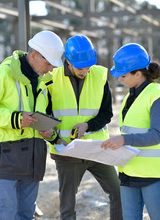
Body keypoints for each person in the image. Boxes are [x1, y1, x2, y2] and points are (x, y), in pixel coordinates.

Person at [48, 35, 123, 220]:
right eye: (81, 68)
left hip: (97, 149)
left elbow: (106, 114)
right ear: (68, 62)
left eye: (88, 67)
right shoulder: (51, 78)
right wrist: (56, 139)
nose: (85, 71)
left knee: (119, 192)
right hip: (66, 151)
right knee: (67, 205)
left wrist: (88, 125)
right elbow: (44, 115)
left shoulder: (99, 76)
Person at [0, 30, 64, 220]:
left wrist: (50, 133)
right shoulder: (4, 73)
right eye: (49, 63)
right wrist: (14, 118)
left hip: (34, 159)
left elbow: (45, 116)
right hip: (6, 159)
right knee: (7, 212)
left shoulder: (44, 82)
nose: (52, 68)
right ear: (35, 55)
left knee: (26, 213)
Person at [101, 43, 160, 220]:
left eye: (123, 75)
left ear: (138, 74)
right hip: (128, 173)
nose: (119, 79)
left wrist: (125, 140)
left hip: (153, 176)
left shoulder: (156, 94)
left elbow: (157, 135)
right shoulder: (129, 96)